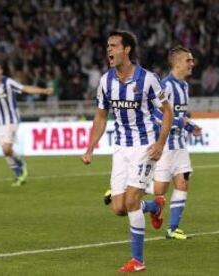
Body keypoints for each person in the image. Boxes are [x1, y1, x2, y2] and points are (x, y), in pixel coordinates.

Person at [81, 30, 173, 273]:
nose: (108, 49)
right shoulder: (105, 81)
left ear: (127, 49)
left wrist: (160, 144)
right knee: (120, 207)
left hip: (145, 146)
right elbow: (101, 116)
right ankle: (154, 206)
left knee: (132, 200)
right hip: (121, 148)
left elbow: (167, 112)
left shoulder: (148, 79)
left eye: (113, 45)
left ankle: (138, 261)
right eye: (107, 45)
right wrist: (90, 147)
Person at [146, 46, 202, 239]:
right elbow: (156, 113)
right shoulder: (165, 86)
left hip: (180, 145)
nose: (192, 64)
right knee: (160, 190)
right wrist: (181, 123)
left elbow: (181, 114)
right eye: (189, 60)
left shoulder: (185, 86)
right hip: (165, 144)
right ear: (177, 63)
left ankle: (173, 229)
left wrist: (189, 125)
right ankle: (123, 188)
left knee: (183, 183)